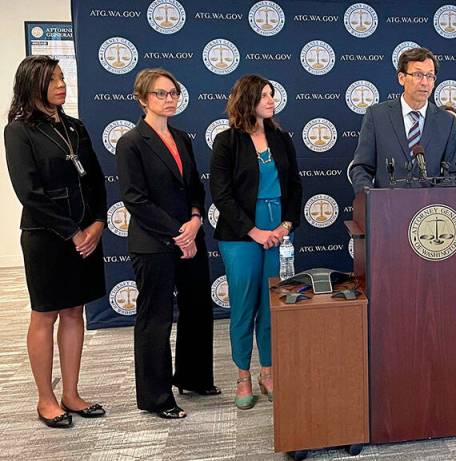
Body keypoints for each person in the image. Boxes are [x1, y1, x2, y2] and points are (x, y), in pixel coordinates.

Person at [4, 55, 107, 428]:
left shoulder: (75, 127)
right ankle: (45, 399)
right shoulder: (19, 131)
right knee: (45, 314)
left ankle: (72, 394)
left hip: (85, 235)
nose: (61, 85)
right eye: (53, 80)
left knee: (74, 311)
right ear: (32, 84)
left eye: (62, 78)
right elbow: (28, 193)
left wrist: (97, 223)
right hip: (46, 238)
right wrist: (72, 231)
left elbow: (95, 180)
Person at [116, 68, 218, 419]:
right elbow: (135, 199)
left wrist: (195, 218)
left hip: (191, 235)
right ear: (142, 99)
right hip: (154, 243)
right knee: (156, 319)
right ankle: (157, 398)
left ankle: (194, 377)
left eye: (173, 92)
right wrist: (178, 233)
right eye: (161, 93)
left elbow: (194, 186)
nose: (170, 99)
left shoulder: (182, 137)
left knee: (197, 309)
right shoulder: (131, 142)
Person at [210, 75, 302, 409]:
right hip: (240, 235)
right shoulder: (227, 141)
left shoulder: (281, 137)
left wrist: (286, 225)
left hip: (280, 231)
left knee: (272, 304)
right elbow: (221, 194)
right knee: (244, 305)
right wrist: (255, 231)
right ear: (247, 99)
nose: (271, 100)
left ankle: (268, 372)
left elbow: (295, 186)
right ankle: (242, 376)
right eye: (264, 95)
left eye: (272, 94)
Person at [349, 47, 456, 191]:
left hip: (431, 205)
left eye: (430, 76)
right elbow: (361, 168)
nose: (425, 82)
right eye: (418, 75)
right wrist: (369, 197)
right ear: (401, 78)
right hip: (387, 203)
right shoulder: (376, 116)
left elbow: (452, 174)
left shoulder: (447, 122)